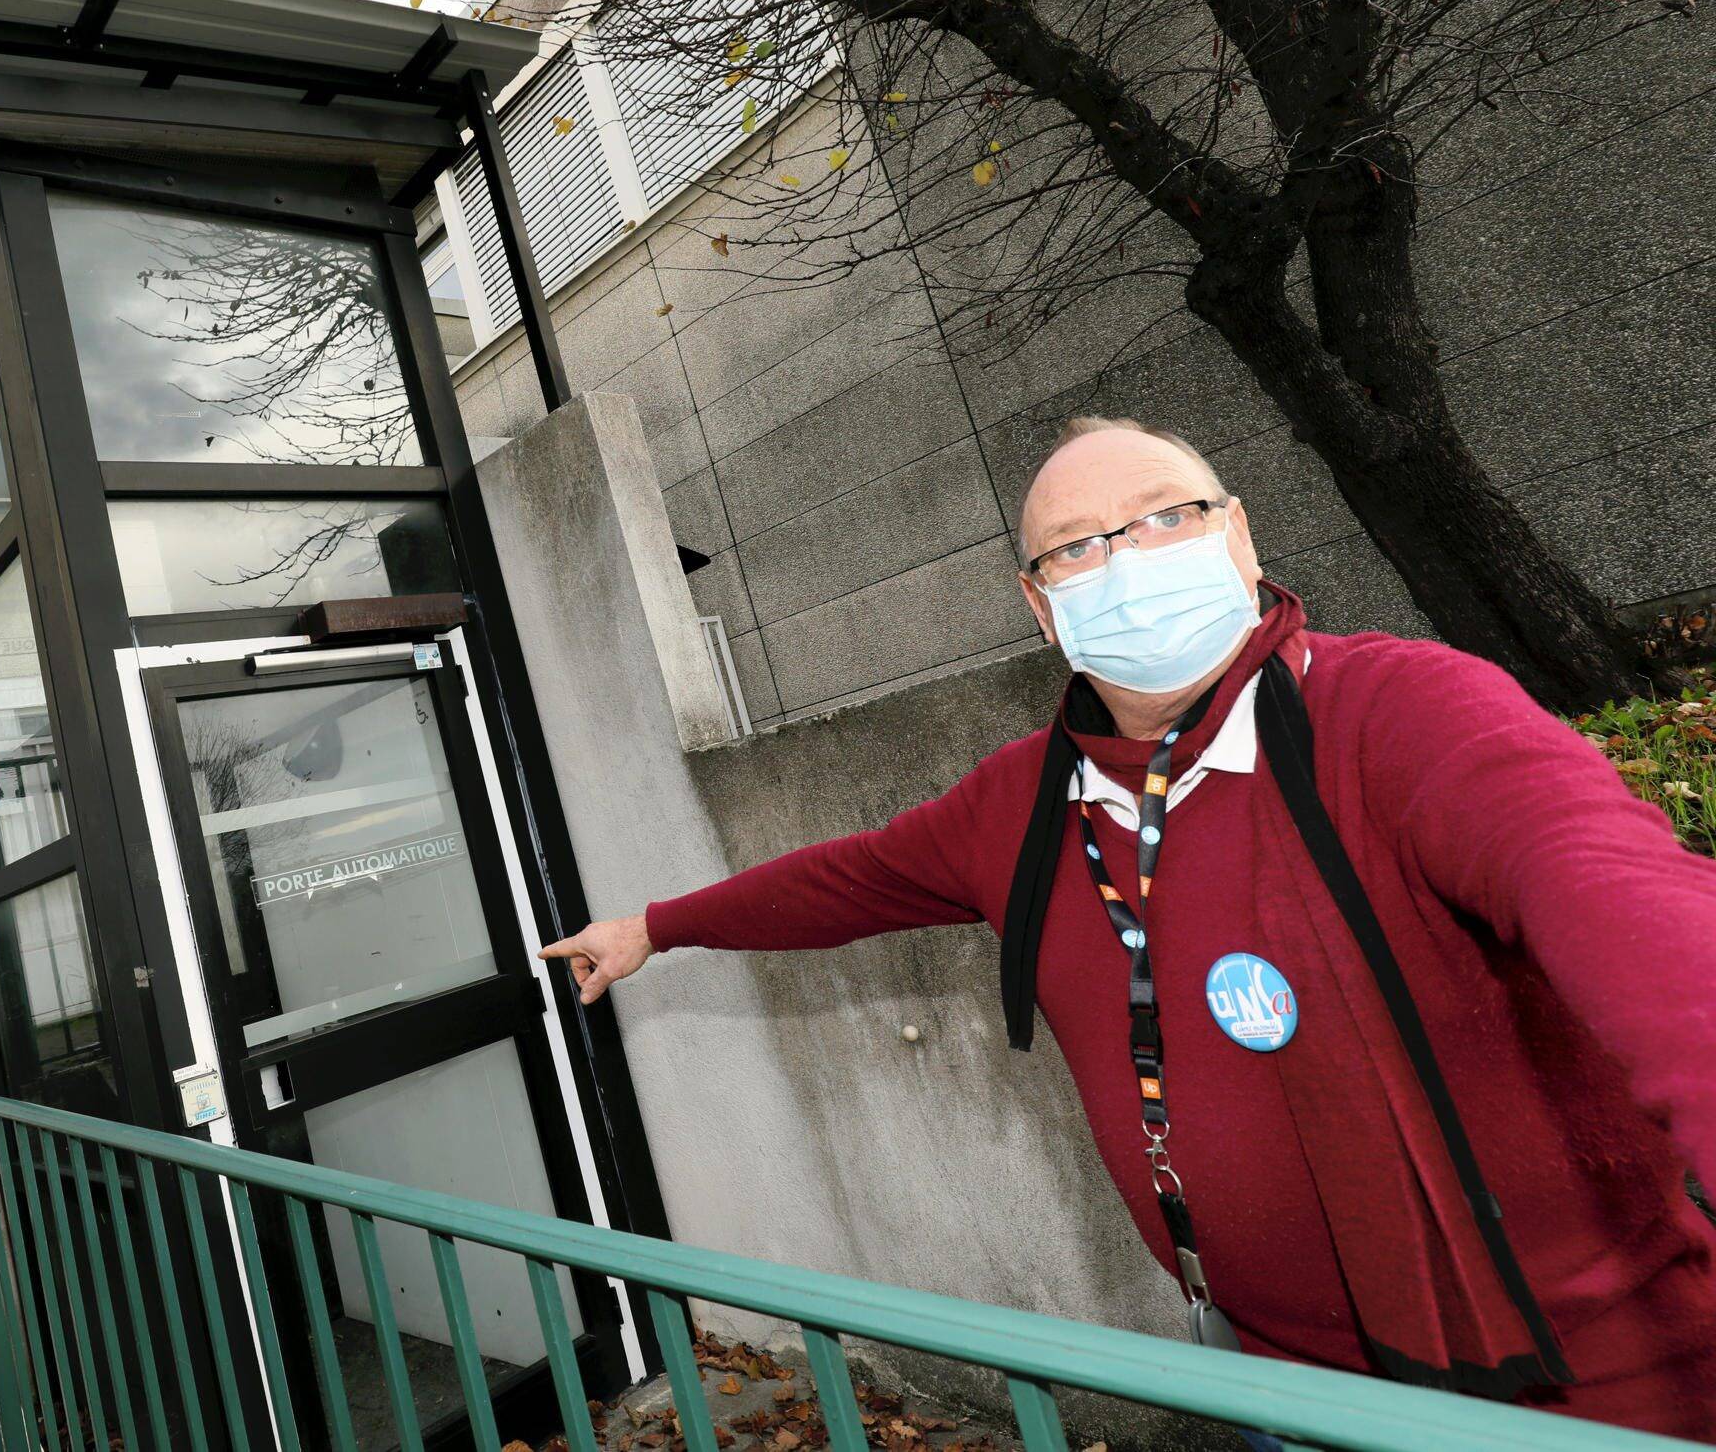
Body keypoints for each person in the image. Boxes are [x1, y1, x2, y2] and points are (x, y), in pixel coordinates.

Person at [541, 418, 1716, 1441]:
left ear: (1238, 536)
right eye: (1078, 546)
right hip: (1274, 1381)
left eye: (1166, 516)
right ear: (1040, 603)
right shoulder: (1018, 802)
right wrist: (654, 927)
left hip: (1598, 1388)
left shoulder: (1405, 712)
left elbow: (1633, 912)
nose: (1128, 561)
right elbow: (845, 880)